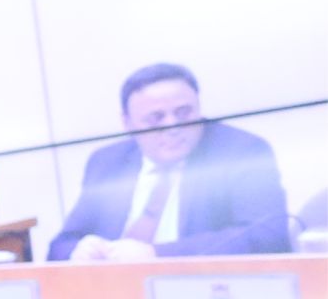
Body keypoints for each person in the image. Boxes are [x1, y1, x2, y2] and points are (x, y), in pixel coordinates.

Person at [47, 63, 291, 261]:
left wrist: (158, 254)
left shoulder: (241, 151)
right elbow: (59, 246)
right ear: (127, 123)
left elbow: (268, 236)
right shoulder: (107, 161)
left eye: (184, 113)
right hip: (114, 293)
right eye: (155, 118)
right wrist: (78, 251)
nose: (173, 127)